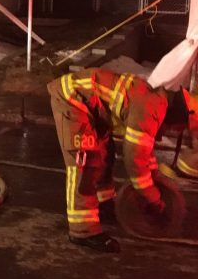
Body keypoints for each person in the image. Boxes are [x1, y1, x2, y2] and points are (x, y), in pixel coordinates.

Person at [47, 68, 192, 253]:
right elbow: (135, 161)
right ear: (175, 116)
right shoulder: (150, 108)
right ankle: (82, 230)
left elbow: (144, 154)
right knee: (85, 163)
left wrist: (154, 179)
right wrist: (154, 200)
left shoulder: (156, 102)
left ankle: (104, 203)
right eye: (174, 128)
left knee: (105, 154)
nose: (166, 134)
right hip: (73, 98)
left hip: (94, 107)